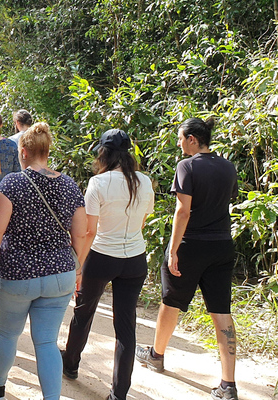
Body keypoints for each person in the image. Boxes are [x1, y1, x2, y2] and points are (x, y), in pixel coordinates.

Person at [0, 122, 87, 400]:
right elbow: (81, 233)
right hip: (60, 274)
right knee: (47, 341)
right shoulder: (70, 185)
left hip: (17, 273)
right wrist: (78, 266)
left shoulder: (14, 183)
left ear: (23, 151)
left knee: (8, 334)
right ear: (47, 151)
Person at [135, 117, 239, 400]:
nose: (179, 143)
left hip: (192, 245)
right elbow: (224, 202)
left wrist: (173, 249)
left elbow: (183, 211)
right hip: (222, 245)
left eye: (181, 138)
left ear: (193, 138)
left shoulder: (187, 166)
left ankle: (156, 355)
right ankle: (228, 384)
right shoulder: (228, 167)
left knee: (172, 301)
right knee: (221, 311)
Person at [61, 129, 155, 400]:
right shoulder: (144, 182)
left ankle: (71, 364)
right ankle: (119, 394)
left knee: (84, 311)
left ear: (103, 153)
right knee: (126, 326)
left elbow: (89, 232)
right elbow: (141, 222)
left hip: (102, 256)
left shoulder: (98, 183)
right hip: (135, 259)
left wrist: (78, 265)